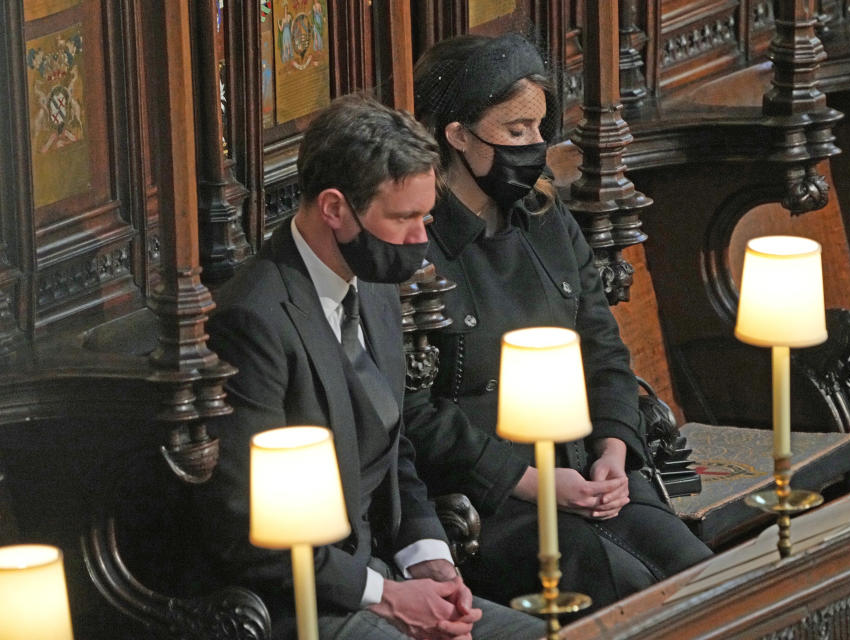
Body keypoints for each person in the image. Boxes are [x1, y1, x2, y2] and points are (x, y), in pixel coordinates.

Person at [197, 94, 542, 640]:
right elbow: (249, 529)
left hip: (381, 573)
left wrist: (429, 556)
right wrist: (388, 597)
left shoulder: (373, 284)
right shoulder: (252, 320)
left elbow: (393, 441)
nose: (421, 241)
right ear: (335, 209)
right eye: (404, 218)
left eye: (426, 216)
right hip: (300, 602)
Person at [405, 33, 713, 611]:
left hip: (586, 471)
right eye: (515, 130)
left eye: (540, 129)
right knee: (611, 582)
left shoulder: (549, 221)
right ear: (457, 135)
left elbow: (604, 353)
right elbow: (415, 415)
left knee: (698, 574)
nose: (535, 145)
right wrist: (535, 484)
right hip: (491, 497)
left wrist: (614, 452)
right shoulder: (417, 242)